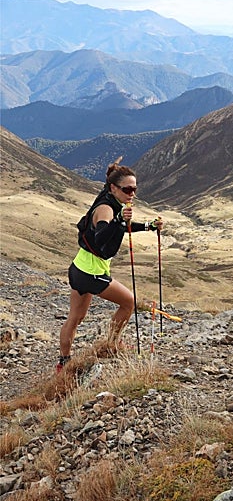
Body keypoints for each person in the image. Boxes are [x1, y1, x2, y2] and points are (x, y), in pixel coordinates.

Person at [57, 159, 163, 371]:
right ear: (114, 188)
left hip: (79, 268)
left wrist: (148, 226)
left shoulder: (109, 198)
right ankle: (112, 343)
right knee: (128, 303)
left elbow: (121, 229)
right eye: (127, 189)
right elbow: (101, 238)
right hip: (92, 272)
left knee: (76, 318)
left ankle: (64, 362)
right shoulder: (106, 208)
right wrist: (119, 220)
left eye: (134, 189)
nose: (132, 193)